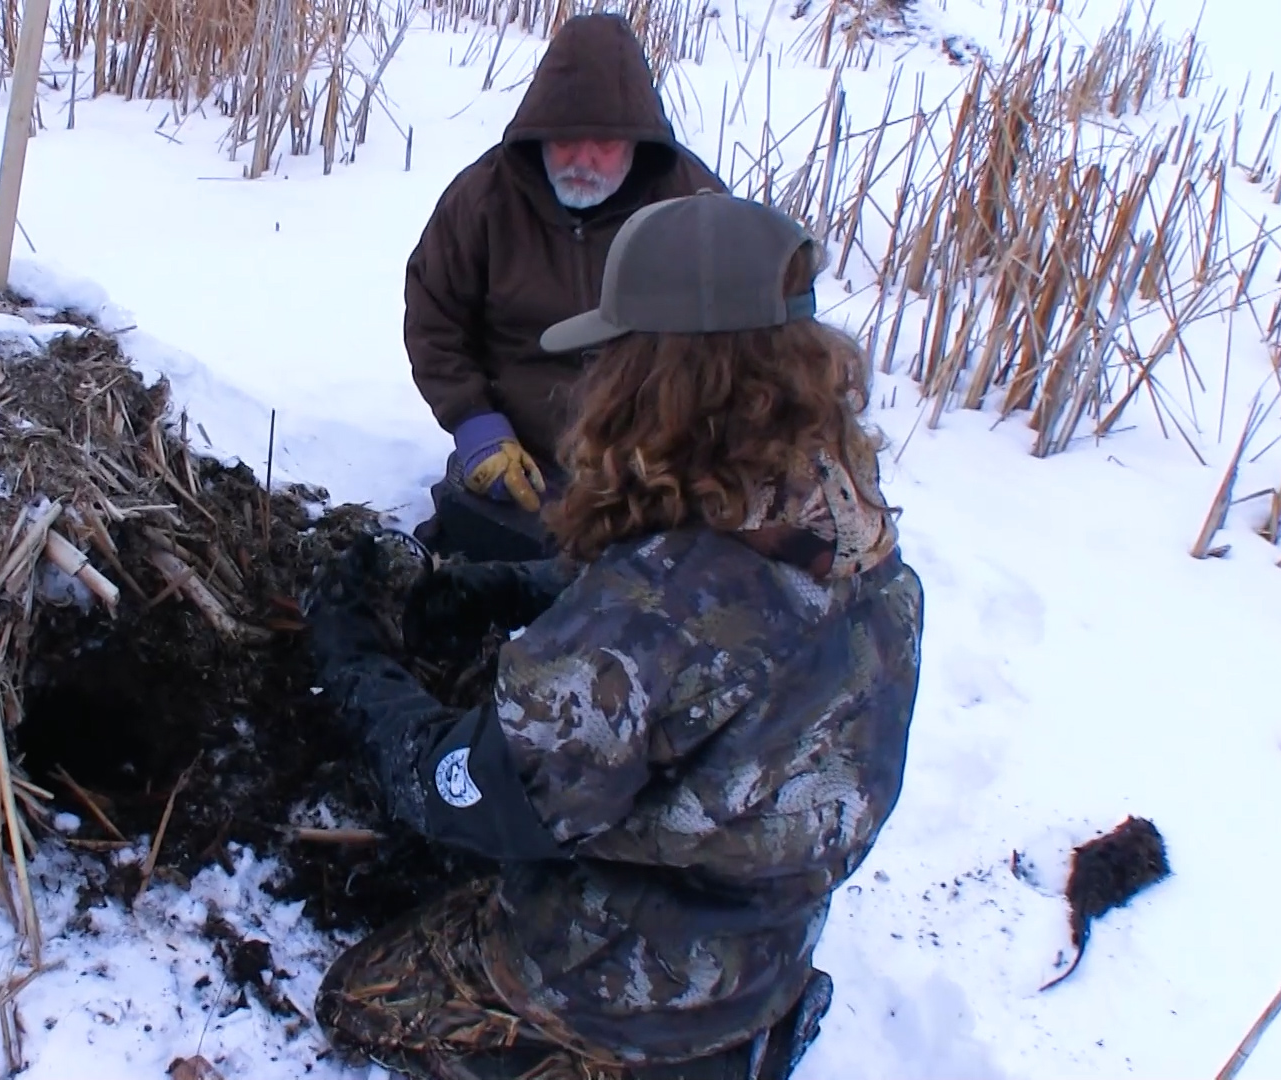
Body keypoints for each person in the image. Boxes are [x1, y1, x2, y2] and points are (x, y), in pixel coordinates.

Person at [303, 193, 925, 1080]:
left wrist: (356, 664)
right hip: (770, 934)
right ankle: (754, 1026)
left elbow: (461, 792)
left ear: (663, 376)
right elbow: (727, 620)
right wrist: (506, 589)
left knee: (361, 999)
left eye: (615, 354)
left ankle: (648, 1064)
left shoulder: (640, 627)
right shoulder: (847, 526)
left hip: (630, 972)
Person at [404, 12, 726, 564]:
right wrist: (475, 422)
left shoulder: (695, 209)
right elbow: (435, 319)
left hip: (655, 465)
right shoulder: (483, 199)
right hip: (524, 459)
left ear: (638, 142)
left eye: (604, 143)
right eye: (565, 141)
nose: (582, 161)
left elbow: (741, 347)